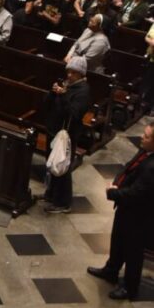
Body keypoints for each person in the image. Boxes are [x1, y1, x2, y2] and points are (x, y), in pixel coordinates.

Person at [87, 123, 154, 301]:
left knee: (133, 251)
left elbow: (137, 193)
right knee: (118, 239)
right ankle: (111, 270)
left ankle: (130, 288)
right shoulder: (144, 152)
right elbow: (128, 168)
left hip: (139, 215)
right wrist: (116, 181)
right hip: (127, 209)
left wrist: (113, 192)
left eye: (147, 137)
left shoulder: (152, 168)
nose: (142, 137)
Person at [42, 56, 91, 214]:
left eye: (74, 73)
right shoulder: (67, 84)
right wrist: (52, 92)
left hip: (67, 135)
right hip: (54, 130)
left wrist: (63, 95)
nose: (69, 75)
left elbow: (75, 113)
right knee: (53, 163)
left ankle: (62, 202)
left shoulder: (83, 91)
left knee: (62, 167)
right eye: (68, 71)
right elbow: (47, 103)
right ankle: (51, 194)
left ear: (81, 74)